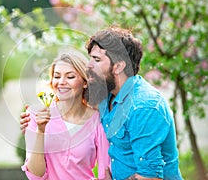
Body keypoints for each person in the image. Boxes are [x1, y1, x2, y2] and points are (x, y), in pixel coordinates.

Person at [21, 26, 183, 180]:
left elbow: (150, 176)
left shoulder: (143, 107)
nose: (89, 65)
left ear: (118, 66)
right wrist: (33, 124)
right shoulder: (107, 100)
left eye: (96, 60)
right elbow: (73, 99)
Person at [21, 50, 111, 180]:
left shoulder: (97, 121)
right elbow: (36, 175)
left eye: (70, 77)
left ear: (85, 82)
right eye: (57, 76)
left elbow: (105, 172)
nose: (61, 82)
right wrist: (40, 130)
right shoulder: (35, 116)